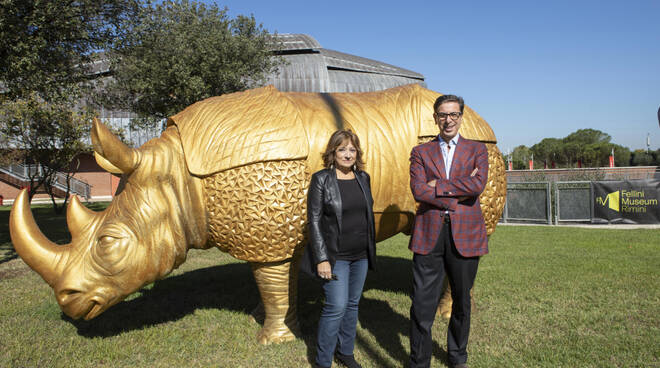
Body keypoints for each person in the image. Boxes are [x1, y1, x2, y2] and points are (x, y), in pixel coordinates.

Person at [408, 95, 489, 368]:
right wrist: (458, 189)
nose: (448, 120)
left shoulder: (477, 150)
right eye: (443, 115)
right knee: (421, 304)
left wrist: (438, 187)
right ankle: (419, 361)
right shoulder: (420, 152)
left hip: (465, 235)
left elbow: (477, 185)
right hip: (428, 235)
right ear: (435, 118)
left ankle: (457, 357)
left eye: (454, 114)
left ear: (461, 117)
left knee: (462, 303)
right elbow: (419, 190)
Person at [302, 129, 376, 368]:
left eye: (352, 150)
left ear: (357, 153)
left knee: (352, 304)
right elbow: (313, 220)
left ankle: (345, 352)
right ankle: (323, 361)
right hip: (335, 257)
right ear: (333, 153)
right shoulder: (321, 179)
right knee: (336, 305)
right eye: (342, 149)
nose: (347, 154)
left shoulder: (363, 179)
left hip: (361, 255)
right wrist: (321, 259)